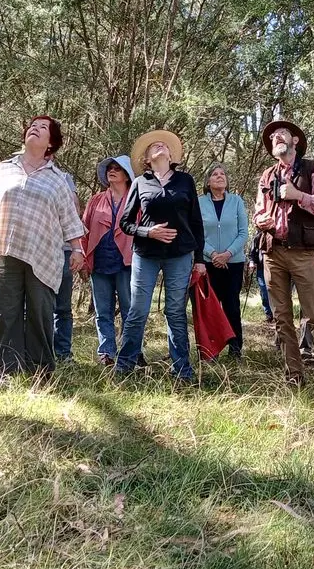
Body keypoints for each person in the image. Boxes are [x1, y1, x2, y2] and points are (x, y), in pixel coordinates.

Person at [0, 116, 86, 379]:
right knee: (5, 312)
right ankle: (7, 373)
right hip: (4, 249)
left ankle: (40, 372)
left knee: (40, 312)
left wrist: (77, 250)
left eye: (43, 128)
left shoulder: (57, 180)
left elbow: (69, 217)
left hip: (42, 254)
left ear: (51, 143)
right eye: (33, 125)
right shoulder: (2, 170)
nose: (35, 128)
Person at [252, 120, 314, 391]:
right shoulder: (267, 175)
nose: (276, 138)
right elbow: (256, 212)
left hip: (303, 254)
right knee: (281, 318)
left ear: (295, 142)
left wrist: (298, 195)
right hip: (272, 253)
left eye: (282, 134)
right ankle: (294, 374)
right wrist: (261, 220)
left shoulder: (312, 169)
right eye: (273, 137)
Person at [116, 130, 206, 382]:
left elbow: (196, 222)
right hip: (146, 254)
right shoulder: (139, 183)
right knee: (137, 311)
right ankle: (124, 367)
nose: (160, 146)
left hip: (180, 255)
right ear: (147, 159)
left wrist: (199, 259)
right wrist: (148, 232)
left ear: (171, 155)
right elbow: (125, 223)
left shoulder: (185, 181)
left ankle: (182, 371)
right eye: (153, 146)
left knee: (175, 311)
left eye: (163, 145)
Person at [80, 155, 135, 366]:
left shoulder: (136, 199)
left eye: (117, 169)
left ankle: (131, 352)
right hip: (100, 262)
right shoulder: (96, 200)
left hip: (126, 264)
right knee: (103, 311)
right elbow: (84, 230)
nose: (112, 171)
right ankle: (106, 353)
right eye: (109, 168)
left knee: (130, 310)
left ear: (127, 175)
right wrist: (84, 259)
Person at [199, 162, 250, 359]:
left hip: (233, 263)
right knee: (210, 308)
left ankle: (235, 348)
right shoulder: (200, 202)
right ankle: (211, 349)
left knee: (231, 305)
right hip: (207, 263)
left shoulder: (236, 201)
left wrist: (227, 254)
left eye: (222, 174)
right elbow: (197, 234)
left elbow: (243, 232)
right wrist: (212, 254)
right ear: (208, 181)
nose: (219, 176)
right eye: (214, 174)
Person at [52, 166, 85, 361]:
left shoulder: (64, 177)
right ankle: (40, 351)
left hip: (63, 249)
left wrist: (77, 249)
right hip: (36, 251)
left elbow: (74, 209)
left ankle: (63, 353)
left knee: (62, 307)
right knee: (39, 306)